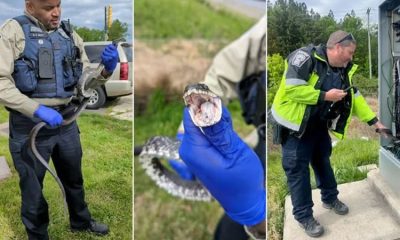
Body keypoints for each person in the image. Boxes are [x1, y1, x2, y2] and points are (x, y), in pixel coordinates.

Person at [0, 0, 118, 239]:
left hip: (66, 123)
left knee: (74, 179)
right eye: (48, 7)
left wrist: (104, 71)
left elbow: (83, 82)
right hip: (29, 126)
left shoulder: (69, 34)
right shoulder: (12, 31)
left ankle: (81, 222)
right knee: (33, 190)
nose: (56, 13)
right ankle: (38, 235)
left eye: (58, 5)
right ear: (30, 5)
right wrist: (36, 109)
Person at [271, 30, 387, 238]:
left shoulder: (342, 70)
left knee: (323, 161)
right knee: (298, 172)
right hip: (295, 127)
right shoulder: (305, 58)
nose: (351, 57)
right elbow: (291, 89)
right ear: (337, 47)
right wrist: (325, 95)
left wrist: (375, 122)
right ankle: (304, 216)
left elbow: (355, 97)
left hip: (317, 125)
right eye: (350, 52)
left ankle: (330, 198)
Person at [177, 16, 266, 240]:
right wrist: (182, 132)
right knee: (228, 232)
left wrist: (258, 219)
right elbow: (223, 70)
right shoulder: (267, 25)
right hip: (266, 140)